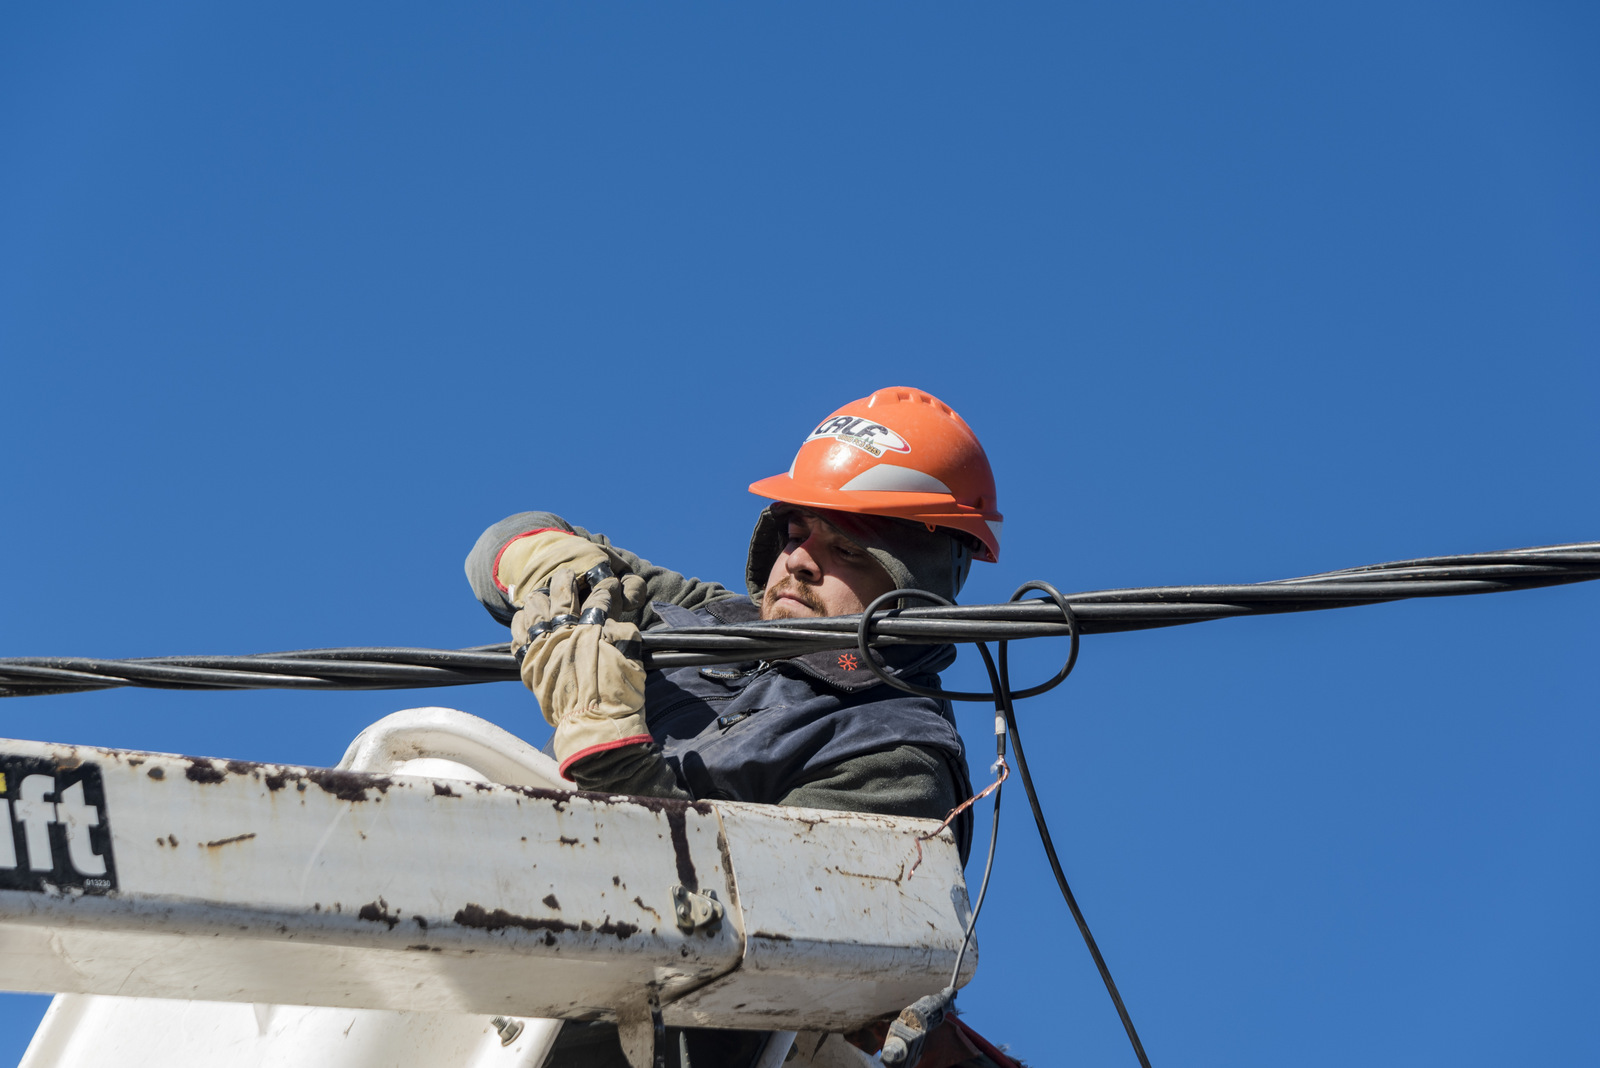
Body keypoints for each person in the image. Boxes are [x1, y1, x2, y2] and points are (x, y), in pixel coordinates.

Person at [464, 387, 1004, 860]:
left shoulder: (893, 757)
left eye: (846, 550)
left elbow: (770, 932)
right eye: (795, 535)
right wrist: (562, 570)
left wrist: (610, 757)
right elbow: (507, 540)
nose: (798, 562)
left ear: (912, 588)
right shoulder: (709, 617)